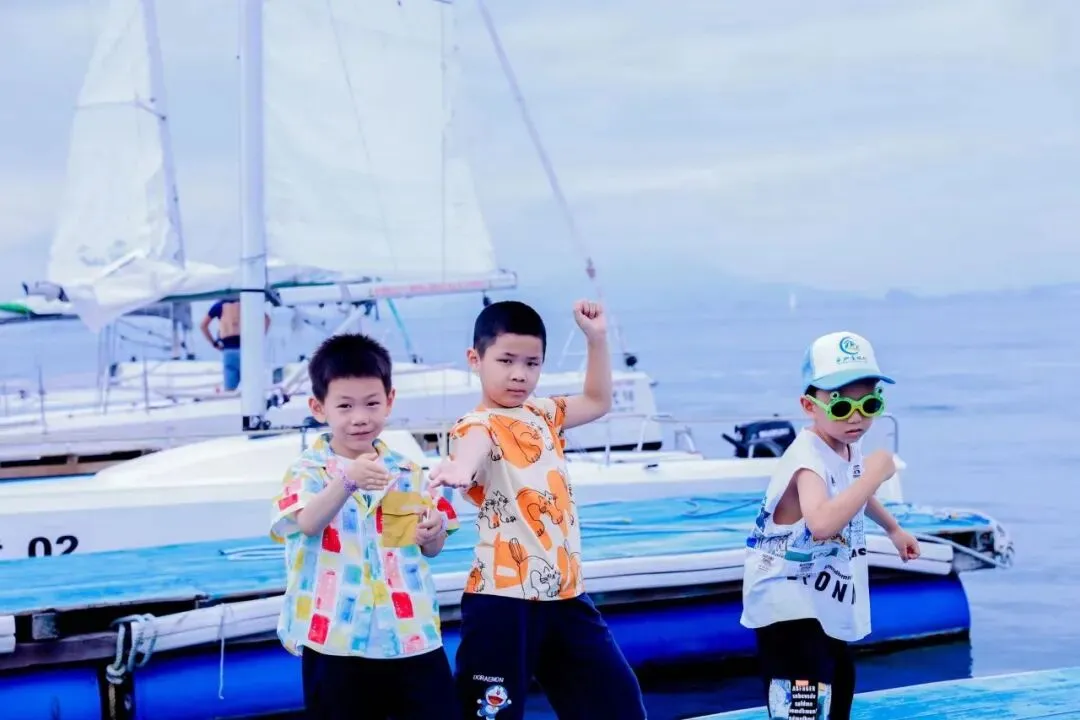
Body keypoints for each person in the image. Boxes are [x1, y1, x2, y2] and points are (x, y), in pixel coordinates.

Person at [428, 299, 647, 720]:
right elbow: (473, 448)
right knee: (491, 715)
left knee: (618, 703)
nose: (519, 374)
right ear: (475, 359)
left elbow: (597, 400)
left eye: (532, 363)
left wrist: (597, 339)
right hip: (502, 601)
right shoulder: (476, 425)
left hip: (565, 595)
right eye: (506, 360)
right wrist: (460, 468)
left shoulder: (543, 413)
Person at [269, 333, 461, 720]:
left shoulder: (408, 470)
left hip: (410, 633)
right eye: (345, 406)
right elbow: (307, 522)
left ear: (389, 400)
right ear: (318, 408)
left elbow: (432, 547)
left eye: (372, 403)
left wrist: (434, 530)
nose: (360, 417)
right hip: (335, 638)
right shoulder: (308, 470)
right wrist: (347, 481)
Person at [740, 331, 922, 720]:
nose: (856, 418)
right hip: (787, 606)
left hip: (820, 599)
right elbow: (821, 522)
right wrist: (874, 475)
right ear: (810, 405)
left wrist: (893, 529)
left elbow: (852, 491)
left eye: (869, 404)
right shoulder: (808, 461)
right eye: (841, 407)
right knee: (803, 704)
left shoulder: (845, 444)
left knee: (839, 684)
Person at [200, 295, 270, 391]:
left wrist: (214, 343)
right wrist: (257, 339)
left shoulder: (219, 306)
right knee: (251, 389)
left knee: (230, 391)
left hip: (229, 350)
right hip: (247, 350)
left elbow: (203, 325)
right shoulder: (247, 303)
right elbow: (266, 319)